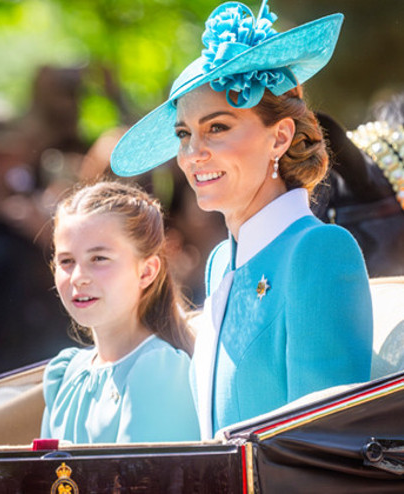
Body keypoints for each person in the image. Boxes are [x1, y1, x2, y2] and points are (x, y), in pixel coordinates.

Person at [110, 0, 373, 439]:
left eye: (217, 127)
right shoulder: (220, 262)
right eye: (183, 134)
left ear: (280, 137)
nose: (193, 153)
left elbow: (327, 444)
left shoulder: (319, 250)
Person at [40, 181, 200, 444]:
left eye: (99, 258)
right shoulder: (64, 374)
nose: (78, 277)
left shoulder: (157, 370)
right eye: (66, 261)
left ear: (146, 271)